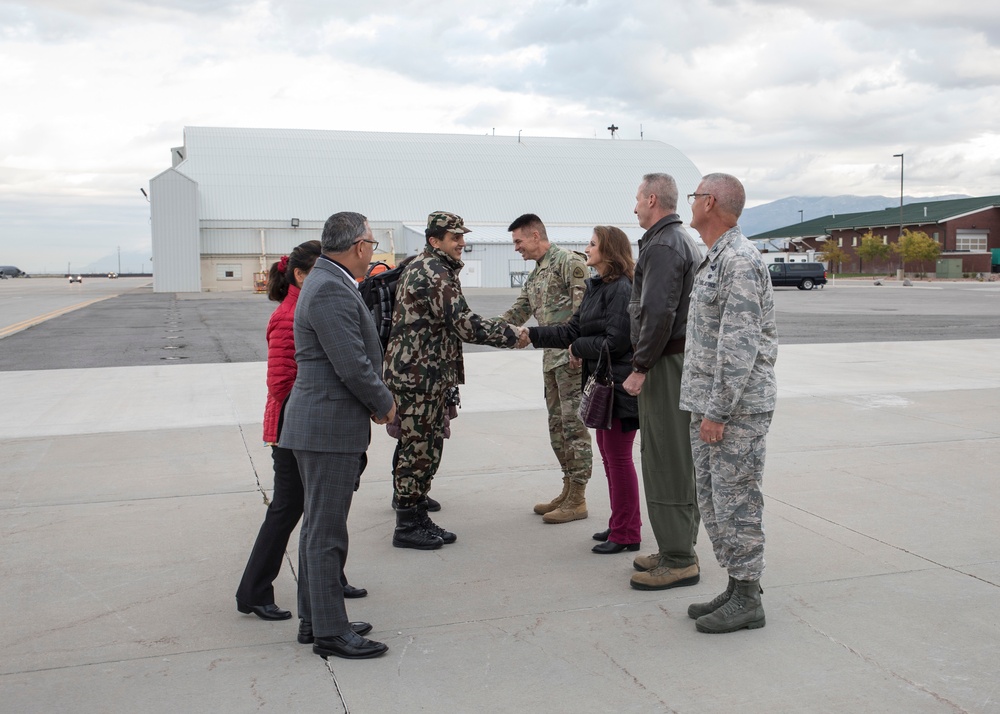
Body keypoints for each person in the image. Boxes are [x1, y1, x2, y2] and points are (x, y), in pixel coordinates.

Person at [279, 212, 396, 660]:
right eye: (371, 241)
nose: (373, 249)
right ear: (360, 246)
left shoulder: (330, 278)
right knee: (325, 533)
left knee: (319, 529)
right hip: (326, 426)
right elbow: (352, 364)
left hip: (323, 424)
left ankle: (316, 618)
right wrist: (384, 404)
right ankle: (330, 630)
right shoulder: (329, 286)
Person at [235, 241, 368, 623]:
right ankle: (254, 590)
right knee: (289, 509)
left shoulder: (306, 306)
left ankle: (329, 579)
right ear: (299, 275)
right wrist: (321, 412)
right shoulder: (287, 315)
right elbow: (280, 383)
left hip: (307, 427)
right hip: (293, 431)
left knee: (323, 509)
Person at [384, 211, 519, 549]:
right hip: (418, 376)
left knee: (425, 446)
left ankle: (416, 513)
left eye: (462, 236)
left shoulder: (433, 267)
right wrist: (511, 334)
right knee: (419, 450)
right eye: (455, 237)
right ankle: (407, 525)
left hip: (427, 373)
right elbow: (463, 323)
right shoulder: (432, 271)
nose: (462, 243)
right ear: (435, 241)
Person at [679, 173, 778, 633]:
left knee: (737, 500)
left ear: (710, 202)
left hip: (734, 409)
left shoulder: (738, 261)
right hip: (712, 403)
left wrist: (717, 411)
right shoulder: (715, 258)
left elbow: (739, 347)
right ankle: (739, 586)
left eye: (695, 195)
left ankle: (748, 596)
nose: (691, 202)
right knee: (714, 498)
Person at [522, 226, 641, 553]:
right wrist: (532, 336)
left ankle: (628, 533)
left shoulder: (620, 289)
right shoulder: (596, 286)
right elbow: (570, 330)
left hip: (618, 386)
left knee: (618, 459)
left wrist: (577, 347)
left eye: (592, 244)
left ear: (609, 251)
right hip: (604, 383)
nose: (586, 249)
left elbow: (616, 342)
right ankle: (621, 525)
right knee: (609, 456)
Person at [622, 173, 703, 591]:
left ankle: (679, 557)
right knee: (671, 456)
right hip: (670, 359)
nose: (634, 206)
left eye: (637, 199)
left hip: (666, 363)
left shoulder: (665, 244)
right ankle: (676, 544)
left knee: (666, 458)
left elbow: (658, 312)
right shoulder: (673, 240)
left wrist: (640, 366)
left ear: (652, 199)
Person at [501, 213, 593, 524]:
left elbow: (586, 311)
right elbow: (520, 309)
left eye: (518, 241)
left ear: (536, 236)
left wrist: (579, 349)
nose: (517, 248)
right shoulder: (537, 273)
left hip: (571, 358)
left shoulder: (569, 262)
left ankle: (578, 497)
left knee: (573, 427)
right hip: (550, 360)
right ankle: (567, 488)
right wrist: (485, 328)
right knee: (557, 428)